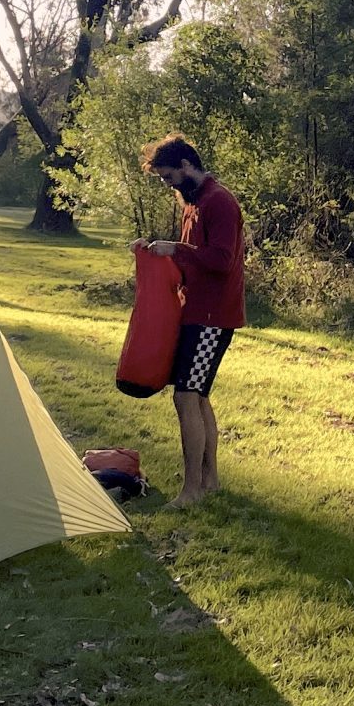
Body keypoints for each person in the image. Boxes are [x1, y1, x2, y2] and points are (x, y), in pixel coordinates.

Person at [139, 133, 244, 506]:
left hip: (213, 318)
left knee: (186, 398)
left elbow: (220, 261)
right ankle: (209, 481)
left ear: (186, 166)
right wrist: (155, 252)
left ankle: (191, 491)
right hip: (195, 312)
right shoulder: (193, 202)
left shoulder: (219, 202)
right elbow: (190, 258)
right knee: (197, 398)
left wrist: (177, 249)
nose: (169, 185)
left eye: (169, 178)